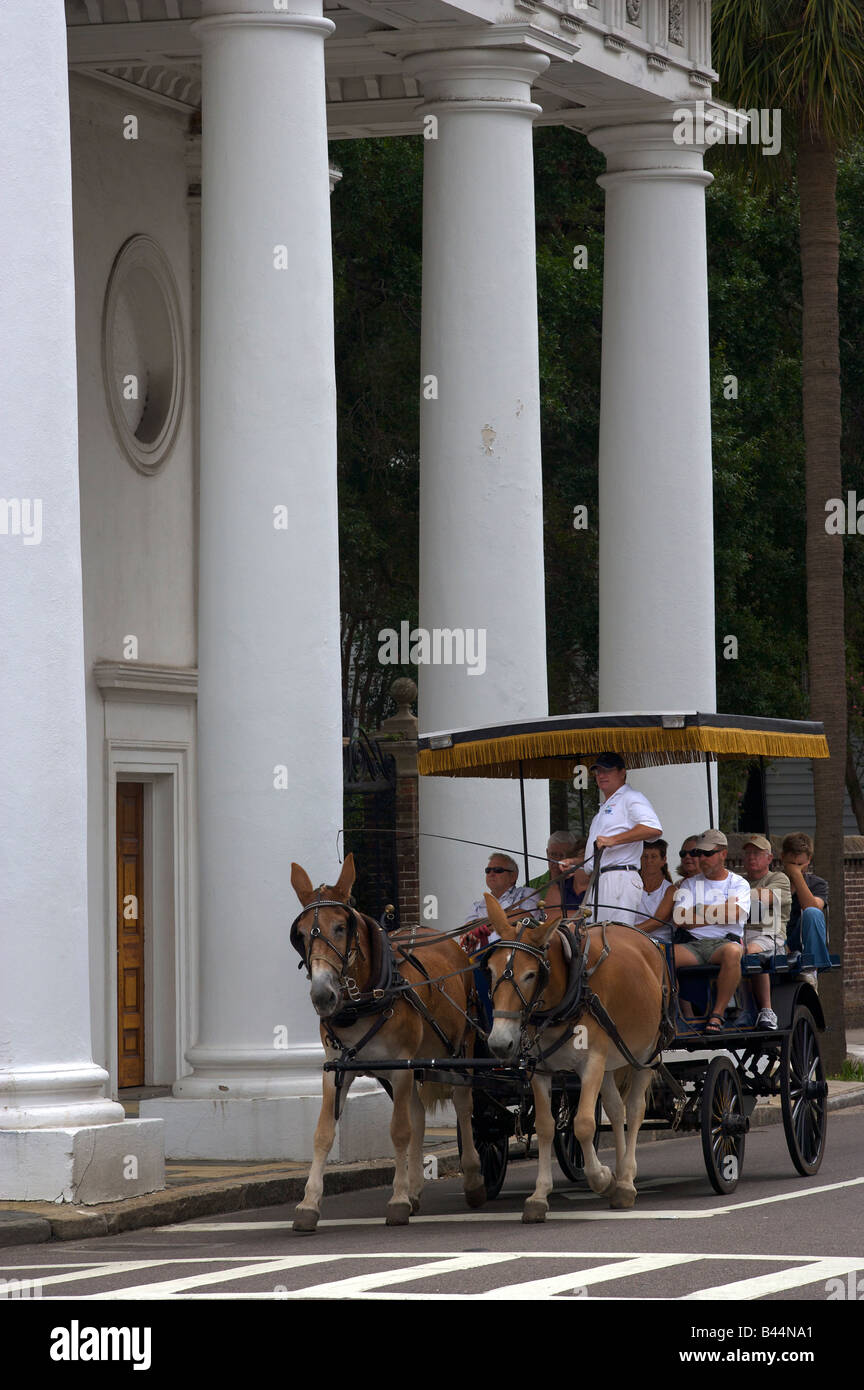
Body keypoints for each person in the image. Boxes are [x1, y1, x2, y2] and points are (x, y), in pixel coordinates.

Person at [559, 752, 662, 927]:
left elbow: (653, 828)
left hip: (620, 878)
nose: (601, 775)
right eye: (598, 772)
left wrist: (614, 839)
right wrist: (576, 862)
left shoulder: (631, 797)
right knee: (595, 937)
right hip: (600, 879)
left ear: (622, 773)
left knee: (614, 937)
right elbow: (603, 852)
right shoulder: (605, 806)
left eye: (607, 770)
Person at [672, 829, 750, 1031]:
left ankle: (717, 1014)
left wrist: (699, 910)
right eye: (699, 853)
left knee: (733, 952)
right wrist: (720, 910)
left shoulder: (738, 883)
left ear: (723, 854)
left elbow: (736, 914)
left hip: (724, 943)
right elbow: (680, 919)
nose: (702, 858)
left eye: (707, 853)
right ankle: (671, 1013)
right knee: (661, 957)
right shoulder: (689, 884)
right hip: (693, 946)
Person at [740, 834, 791, 1030]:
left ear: (769, 858)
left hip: (771, 935)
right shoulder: (740, 881)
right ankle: (740, 1009)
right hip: (742, 935)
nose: (752, 857)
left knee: (751, 953)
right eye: (748, 853)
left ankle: (767, 1011)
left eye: (757, 853)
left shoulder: (778, 878)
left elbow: (767, 898)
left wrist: (731, 896)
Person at [781, 832, 832, 987]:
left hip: (802, 941)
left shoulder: (818, 884)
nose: (796, 868)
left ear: (809, 860)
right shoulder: (773, 881)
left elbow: (813, 907)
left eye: (800, 865)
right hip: (776, 939)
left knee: (813, 913)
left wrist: (797, 876)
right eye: (792, 864)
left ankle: (811, 969)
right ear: (782, 857)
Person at [460, 853, 539, 953]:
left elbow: (525, 918)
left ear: (513, 876)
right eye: (488, 871)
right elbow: (467, 932)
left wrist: (483, 925)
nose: (491, 874)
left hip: (515, 957)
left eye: (498, 870)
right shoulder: (476, 906)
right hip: (480, 962)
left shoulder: (526, 893)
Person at [635, 839, 676, 944]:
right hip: (633, 939)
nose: (648, 861)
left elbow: (657, 921)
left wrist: (627, 932)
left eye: (654, 857)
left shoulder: (670, 890)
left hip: (659, 942)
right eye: (645, 856)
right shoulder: (632, 885)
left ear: (663, 860)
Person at [542, 832, 587, 915]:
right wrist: (584, 915)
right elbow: (549, 916)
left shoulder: (602, 886)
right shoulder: (559, 886)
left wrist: (562, 915)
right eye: (582, 856)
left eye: (589, 858)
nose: (585, 861)